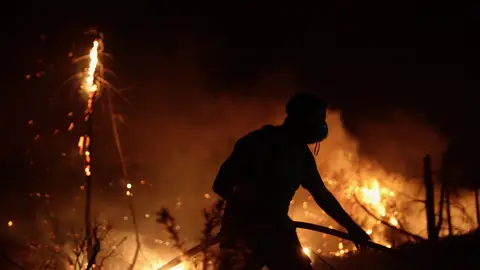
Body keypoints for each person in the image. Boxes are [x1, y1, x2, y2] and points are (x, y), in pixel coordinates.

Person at [213, 93, 370, 270]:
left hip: (278, 233)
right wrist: (256, 208)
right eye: (317, 119)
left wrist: (352, 228)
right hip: (242, 234)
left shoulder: (302, 156)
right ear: (301, 118)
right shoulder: (256, 143)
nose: (321, 125)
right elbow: (221, 184)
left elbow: (322, 195)